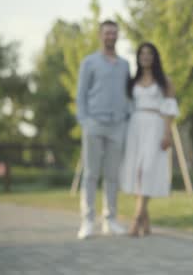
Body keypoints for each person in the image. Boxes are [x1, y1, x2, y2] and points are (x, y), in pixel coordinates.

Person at [76, 20, 130, 239]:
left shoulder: (125, 64)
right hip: (94, 124)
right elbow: (80, 95)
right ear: (100, 35)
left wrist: (128, 116)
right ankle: (87, 221)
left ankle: (110, 220)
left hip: (117, 126)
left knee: (112, 175)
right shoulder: (89, 62)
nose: (111, 36)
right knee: (90, 174)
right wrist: (85, 121)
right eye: (107, 33)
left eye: (114, 33)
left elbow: (128, 93)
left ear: (118, 36)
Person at [119, 42, 179, 237]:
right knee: (136, 172)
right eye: (142, 54)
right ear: (138, 57)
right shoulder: (132, 81)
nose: (145, 57)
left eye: (149, 53)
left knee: (147, 170)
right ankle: (146, 219)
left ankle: (136, 218)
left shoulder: (165, 81)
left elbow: (170, 109)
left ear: (155, 57)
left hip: (155, 125)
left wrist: (167, 133)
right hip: (135, 126)